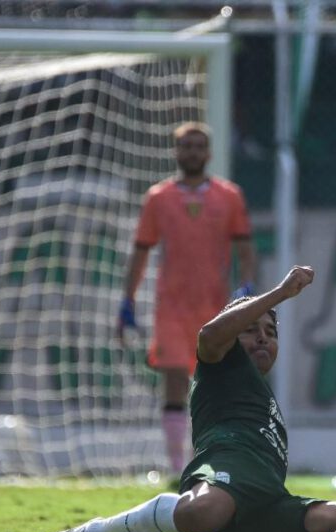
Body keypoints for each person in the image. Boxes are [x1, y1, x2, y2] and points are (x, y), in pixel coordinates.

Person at [32, 266, 336, 532]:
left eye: (271, 332)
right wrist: (278, 294)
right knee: (204, 509)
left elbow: (239, 490)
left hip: (267, 511)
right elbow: (210, 337)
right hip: (224, 486)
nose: (263, 336)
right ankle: (98, 531)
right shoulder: (220, 366)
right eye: (251, 329)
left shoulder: (260, 397)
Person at [117, 121, 256, 475]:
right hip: (172, 307)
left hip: (214, 306)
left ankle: (208, 459)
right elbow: (141, 251)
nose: (192, 152)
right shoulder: (158, 198)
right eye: (186, 146)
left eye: (198, 146)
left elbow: (245, 250)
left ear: (208, 153)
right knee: (176, 383)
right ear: (176, 152)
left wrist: (248, 290)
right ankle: (178, 467)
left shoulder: (230, 196)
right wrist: (127, 300)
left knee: (213, 385)